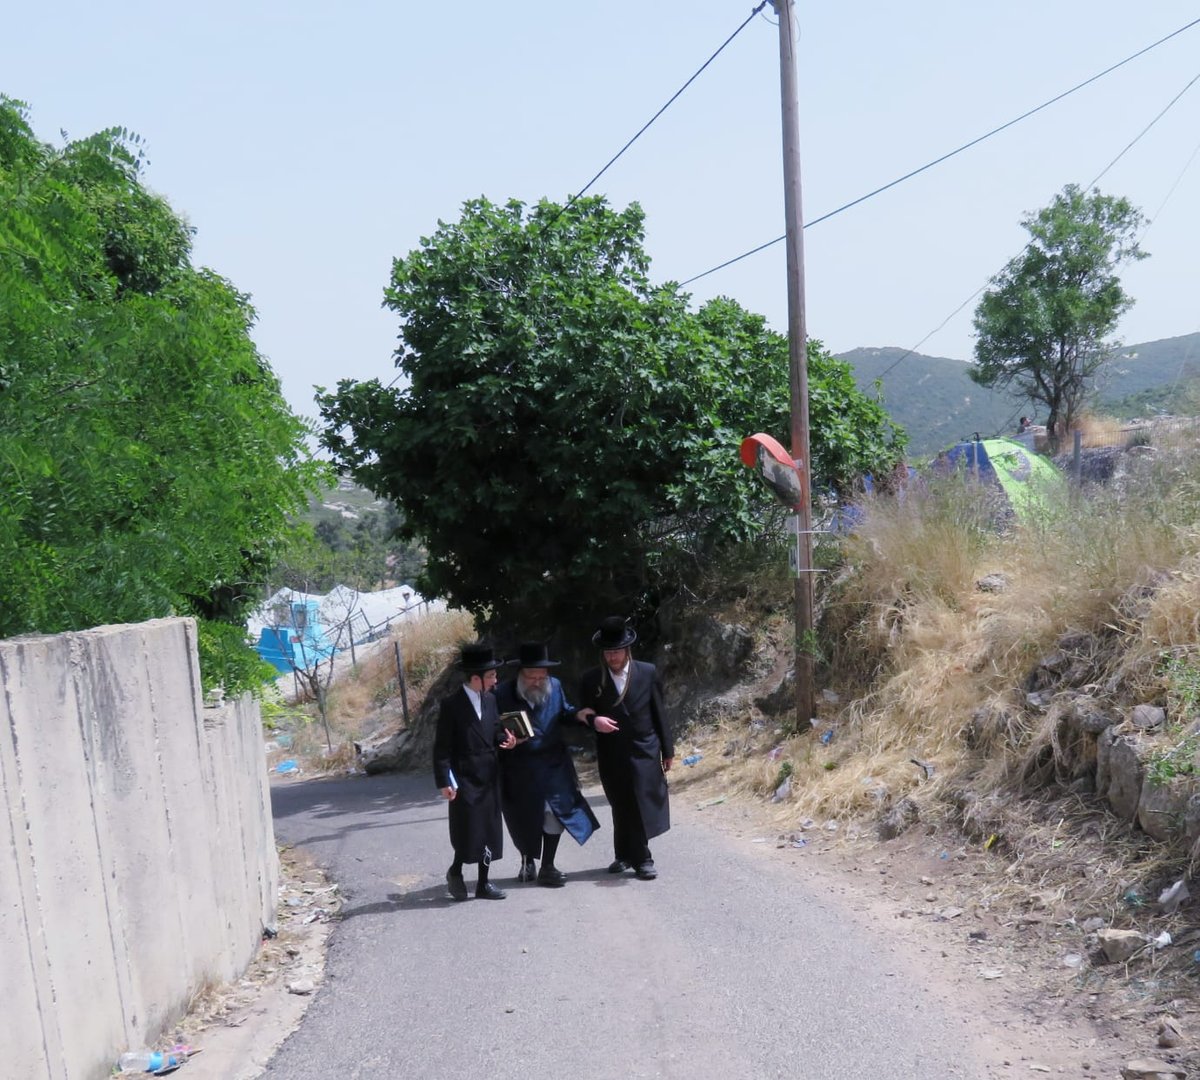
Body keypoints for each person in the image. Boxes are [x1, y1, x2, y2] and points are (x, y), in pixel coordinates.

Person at [494, 642, 600, 887]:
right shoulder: (501, 695)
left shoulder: (556, 687)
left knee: (556, 812)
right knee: (524, 817)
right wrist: (505, 740)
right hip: (519, 767)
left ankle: (548, 866)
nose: (537, 681)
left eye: (542, 676)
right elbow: (493, 729)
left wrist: (578, 715)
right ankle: (527, 859)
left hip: (553, 764)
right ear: (521, 674)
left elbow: (564, 712)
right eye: (532, 676)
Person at [578, 617, 674, 880]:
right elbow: (582, 714)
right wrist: (593, 721)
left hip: (645, 749)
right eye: (608, 652)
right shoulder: (591, 679)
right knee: (620, 803)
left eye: (617, 651)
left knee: (639, 802)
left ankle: (643, 859)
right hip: (611, 752)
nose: (613, 657)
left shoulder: (647, 672)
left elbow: (659, 713)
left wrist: (668, 750)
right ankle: (622, 855)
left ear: (627, 649)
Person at [432, 643, 517, 901]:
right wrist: (444, 779)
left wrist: (508, 738)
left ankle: (483, 882)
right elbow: (442, 747)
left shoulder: (491, 699)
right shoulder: (452, 705)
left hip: (490, 774)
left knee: (489, 829)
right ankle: (456, 871)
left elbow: (493, 731)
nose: (495, 680)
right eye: (491, 675)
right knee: (469, 829)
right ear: (475, 677)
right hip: (464, 776)